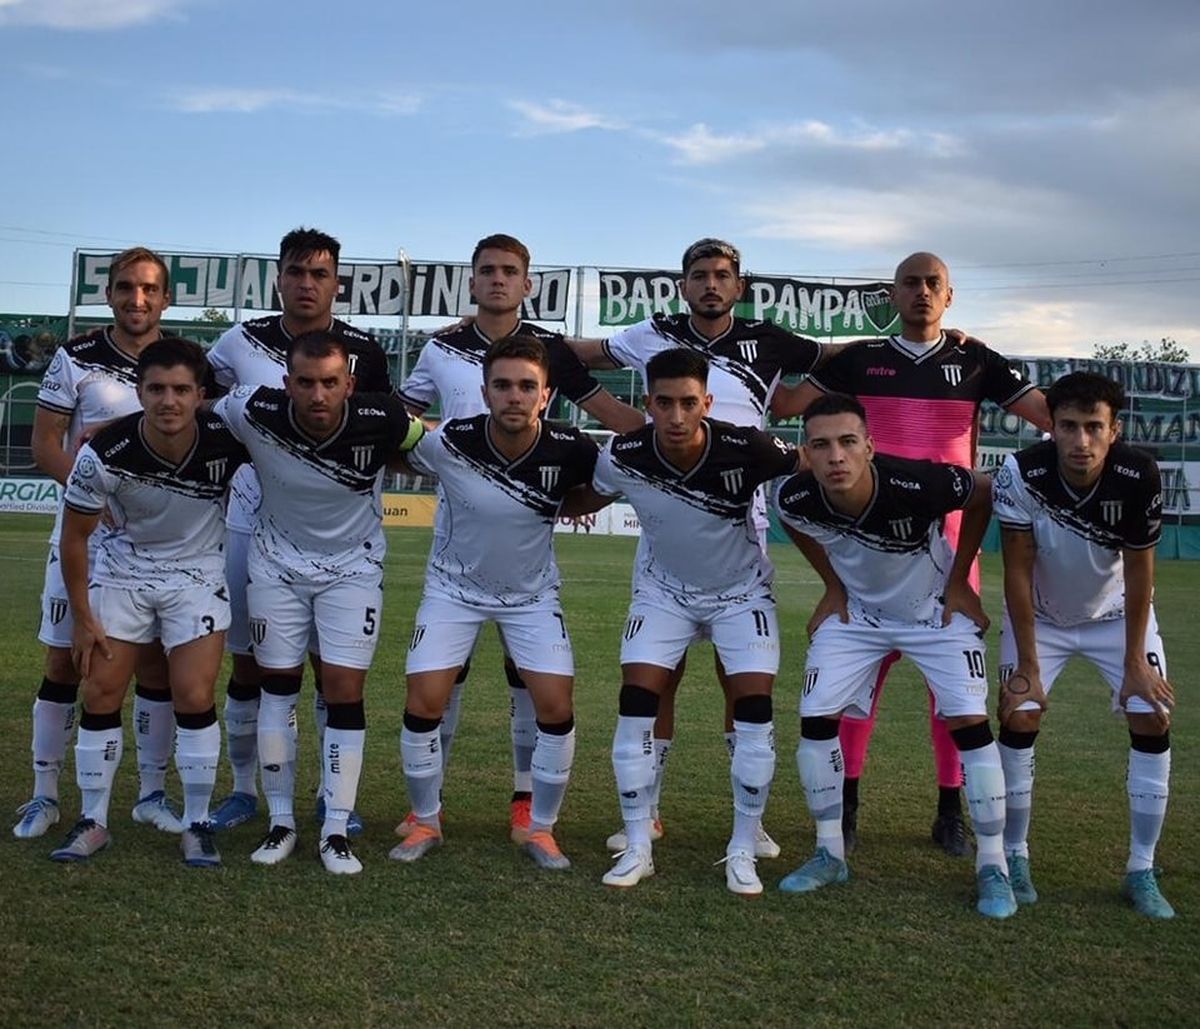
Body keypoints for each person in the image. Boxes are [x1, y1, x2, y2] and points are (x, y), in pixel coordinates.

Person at [773, 251, 1049, 856]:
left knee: (952, 692)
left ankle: (948, 812)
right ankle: (845, 809)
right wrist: (819, 351)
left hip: (951, 545)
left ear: (949, 296)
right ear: (891, 296)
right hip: (867, 543)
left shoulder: (976, 359)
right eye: (910, 283)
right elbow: (786, 406)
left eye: (934, 284)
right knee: (857, 678)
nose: (922, 292)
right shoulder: (862, 359)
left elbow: (1052, 417)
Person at [569, 237, 838, 859]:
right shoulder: (650, 335)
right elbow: (570, 355)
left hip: (738, 536)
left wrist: (932, 337)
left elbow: (838, 361)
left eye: (722, 275)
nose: (710, 285)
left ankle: (752, 820)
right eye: (699, 275)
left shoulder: (767, 343)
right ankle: (649, 813)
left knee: (740, 685)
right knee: (654, 683)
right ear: (682, 285)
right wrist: (613, 416)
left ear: (738, 286)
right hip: (664, 535)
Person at [395, 233, 642, 844]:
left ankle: (530, 807)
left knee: (534, 690)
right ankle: (427, 811)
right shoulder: (439, 351)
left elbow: (608, 427)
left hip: (527, 565)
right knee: (437, 686)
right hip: (457, 549)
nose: (498, 280)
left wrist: (656, 442)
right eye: (488, 271)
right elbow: (393, 422)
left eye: (510, 272)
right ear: (472, 281)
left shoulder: (552, 357)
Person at [775, 393, 1017, 919]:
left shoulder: (919, 481)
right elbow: (793, 524)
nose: (835, 456)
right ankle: (829, 852)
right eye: (821, 445)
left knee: (971, 725)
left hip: (933, 614)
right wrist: (833, 587)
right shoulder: (796, 497)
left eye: (847, 442)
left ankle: (993, 865)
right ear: (806, 453)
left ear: (869, 446)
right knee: (815, 722)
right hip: (859, 618)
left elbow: (983, 494)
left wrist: (960, 583)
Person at [572, 348, 800, 895]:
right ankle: (638, 843)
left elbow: (818, 467)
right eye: (664, 404)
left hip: (741, 593)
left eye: (688, 403)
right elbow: (581, 496)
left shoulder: (750, 446)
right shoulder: (624, 453)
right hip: (663, 593)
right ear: (647, 403)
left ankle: (745, 844)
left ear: (708, 403)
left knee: (753, 710)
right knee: (636, 707)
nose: (676, 417)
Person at [211, 330, 423, 874]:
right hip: (275, 567)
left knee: (343, 690)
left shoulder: (385, 417)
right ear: (286, 384)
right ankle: (281, 822)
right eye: (305, 383)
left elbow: (439, 446)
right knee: (276, 687)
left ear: (349, 384)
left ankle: (335, 828)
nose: (318, 395)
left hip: (351, 571)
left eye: (331, 383)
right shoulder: (252, 408)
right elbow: (190, 413)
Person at [205, 227, 393, 834]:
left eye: (319, 274)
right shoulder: (239, 341)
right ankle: (243, 791)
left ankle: (328, 795)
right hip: (250, 525)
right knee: (251, 667)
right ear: (278, 277)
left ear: (337, 284)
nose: (306, 284)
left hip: (339, 536)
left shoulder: (365, 350)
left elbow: (382, 433)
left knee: (328, 667)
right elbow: (201, 414)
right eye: (296, 272)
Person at [391, 335, 599, 870]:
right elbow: (401, 448)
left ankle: (541, 828)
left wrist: (578, 502)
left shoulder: (571, 447)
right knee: (424, 701)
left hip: (531, 598)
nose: (514, 395)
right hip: (452, 592)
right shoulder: (451, 441)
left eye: (526, 386)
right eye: (502, 385)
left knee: (556, 707)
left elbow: (601, 484)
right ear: (484, 391)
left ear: (545, 395)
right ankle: (425, 819)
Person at [49, 339, 247, 866]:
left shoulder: (228, 440)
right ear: (139, 392)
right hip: (123, 569)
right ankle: (93, 819)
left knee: (193, 692)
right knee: (101, 690)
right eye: (156, 389)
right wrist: (83, 617)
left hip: (197, 574)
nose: (168, 401)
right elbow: (73, 539)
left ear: (200, 395)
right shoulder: (104, 451)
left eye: (181, 390)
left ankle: (198, 823)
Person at [992, 372, 1176, 918]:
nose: (1080, 441)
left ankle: (1141, 868)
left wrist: (1134, 663)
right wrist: (1027, 663)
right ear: (1051, 427)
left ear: (1113, 430)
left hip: (1117, 617)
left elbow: (1141, 573)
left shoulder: (1137, 473)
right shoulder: (1021, 473)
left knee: (1150, 713)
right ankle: (1013, 854)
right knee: (1020, 712)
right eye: (1068, 427)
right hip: (1041, 619)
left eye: (1094, 427)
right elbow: (1018, 570)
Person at [15, 247, 183, 841]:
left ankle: (152, 795)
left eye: (149, 289)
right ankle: (42, 795)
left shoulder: (183, 363)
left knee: (157, 666)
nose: (137, 299)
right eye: (125, 288)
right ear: (109, 294)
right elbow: (46, 446)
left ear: (166, 298)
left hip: (160, 545)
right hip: (86, 535)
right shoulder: (75, 357)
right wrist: (93, 497)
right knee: (65, 660)